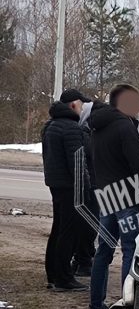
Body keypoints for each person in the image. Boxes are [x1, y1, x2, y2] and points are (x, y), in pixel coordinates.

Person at [89, 84, 139, 309]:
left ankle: (95, 306)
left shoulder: (97, 126)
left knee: (103, 251)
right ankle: (126, 308)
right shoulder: (124, 127)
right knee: (130, 251)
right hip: (127, 197)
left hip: (106, 195)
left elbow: (93, 162)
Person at [41, 90, 92, 292]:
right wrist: (85, 190)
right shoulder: (71, 128)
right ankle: (64, 278)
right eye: (81, 105)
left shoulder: (51, 126)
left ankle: (53, 274)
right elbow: (77, 163)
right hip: (71, 187)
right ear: (73, 105)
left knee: (58, 229)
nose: (82, 109)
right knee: (68, 232)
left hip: (56, 184)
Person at [72, 94, 98, 277]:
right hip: (90, 182)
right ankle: (83, 259)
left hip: (90, 181)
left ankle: (82, 258)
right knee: (89, 223)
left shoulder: (84, 129)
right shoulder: (84, 131)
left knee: (88, 223)